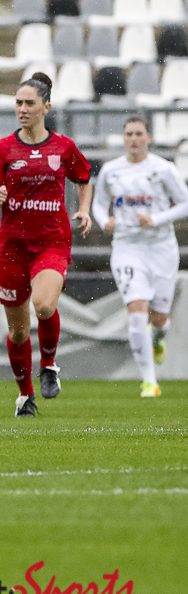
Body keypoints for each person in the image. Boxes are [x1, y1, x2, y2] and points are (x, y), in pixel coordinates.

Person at [0, 72, 94, 418]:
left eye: (29, 103)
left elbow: (84, 177)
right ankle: (25, 396)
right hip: (12, 246)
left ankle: (48, 365)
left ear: (46, 107)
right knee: (17, 331)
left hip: (51, 241)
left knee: (44, 306)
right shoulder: (3, 148)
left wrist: (84, 209)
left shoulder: (63, 147)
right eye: (18, 103)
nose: (22, 109)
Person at [92, 115, 185, 398]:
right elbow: (99, 204)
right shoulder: (111, 170)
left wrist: (156, 219)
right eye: (129, 134)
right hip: (127, 247)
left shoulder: (163, 168)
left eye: (139, 134)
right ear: (123, 138)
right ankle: (149, 381)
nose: (133, 139)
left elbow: (185, 203)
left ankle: (158, 338)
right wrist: (104, 221)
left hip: (161, 248)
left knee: (158, 319)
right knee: (136, 310)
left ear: (149, 138)